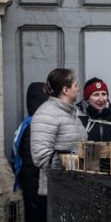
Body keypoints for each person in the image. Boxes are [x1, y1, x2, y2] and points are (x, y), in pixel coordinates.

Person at [13, 82, 49, 222]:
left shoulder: (27, 125)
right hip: (37, 202)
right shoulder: (36, 128)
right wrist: (43, 204)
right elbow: (32, 170)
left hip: (34, 200)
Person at [30, 68, 87, 196]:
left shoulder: (72, 113)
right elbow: (41, 157)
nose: (78, 89)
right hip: (57, 190)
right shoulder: (46, 114)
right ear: (65, 90)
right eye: (76, 85)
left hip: (75, 187)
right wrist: (77, 162)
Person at [76, 77, 111, 142]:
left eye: (104, 94)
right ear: (87, 99)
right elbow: (71, 145)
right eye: (96, 95)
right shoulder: (76, 116)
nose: (101, 99)